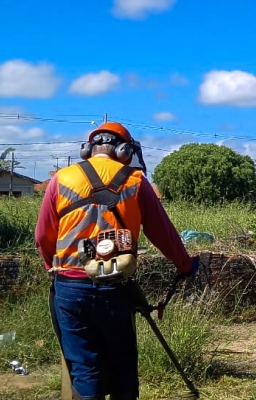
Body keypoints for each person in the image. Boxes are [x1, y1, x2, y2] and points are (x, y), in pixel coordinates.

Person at [36, 122, 198, 400]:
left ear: (89, 149)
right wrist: (184, 265)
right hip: (115, 290)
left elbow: (43, 237)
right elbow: (163, 233)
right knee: (122, 367)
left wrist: (56, 269)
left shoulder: (61, 179)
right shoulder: (135, 182)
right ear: (124, 150)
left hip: (69, 289)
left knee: (86, 368)